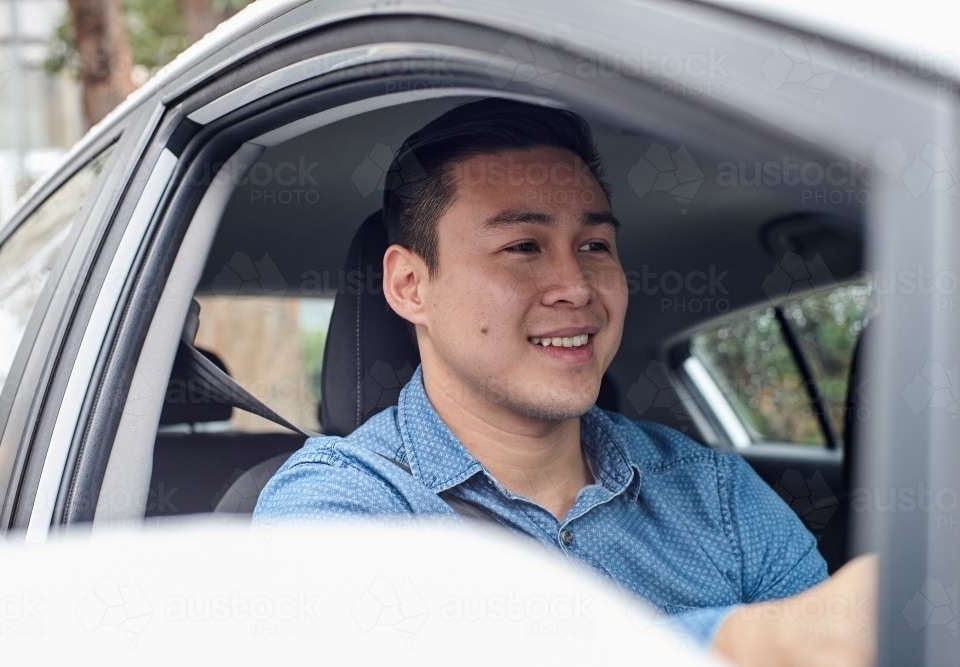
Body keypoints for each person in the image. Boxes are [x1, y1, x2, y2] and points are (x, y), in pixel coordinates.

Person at [253, 98, 875, 666]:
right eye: (523, 246)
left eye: (595, 245)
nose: (576, 286)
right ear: (410, 286)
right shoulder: (338, 504)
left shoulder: (716, 494)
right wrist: (747, 643)